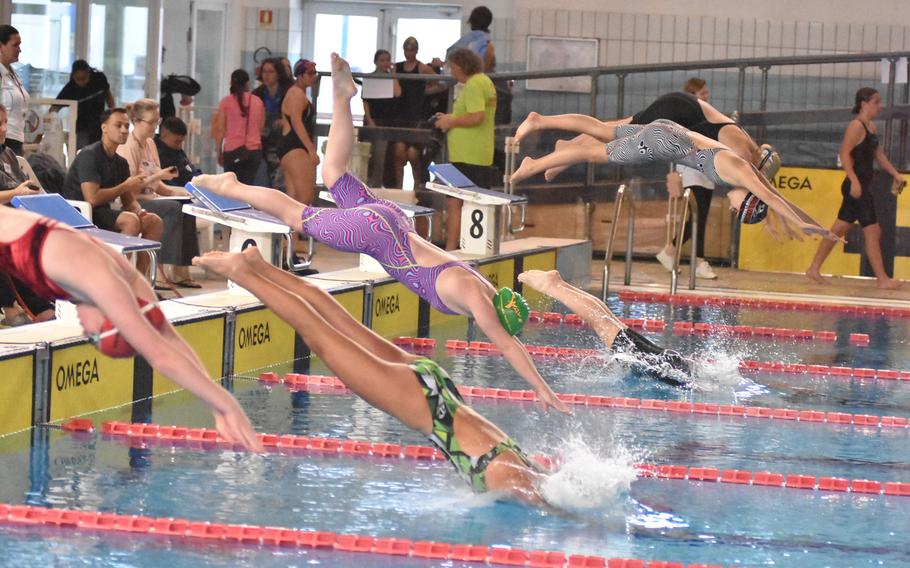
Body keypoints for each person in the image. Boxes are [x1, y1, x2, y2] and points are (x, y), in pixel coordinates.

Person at [192, 54, 567, 414]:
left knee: (334, 171)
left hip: (392, 221)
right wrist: (542, 388)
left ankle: (342, 96)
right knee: (298, 213)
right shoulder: (476, 300)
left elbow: (508, 334)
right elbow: (507, 345)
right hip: (377, 235)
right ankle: (235, 187)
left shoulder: (484, 286)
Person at [194, 245, 546, 503]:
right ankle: (242, 272)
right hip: (427, 410)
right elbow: (548, 510)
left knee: (340, 325)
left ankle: (261, 267)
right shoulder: (518, 480)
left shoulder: (522, 466)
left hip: (438, 387)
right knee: (323, 337)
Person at [0, 206, 262, 452]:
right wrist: (226, 405)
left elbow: (168, 335)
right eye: (93, 337)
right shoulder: (99, 281)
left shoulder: (120, 275)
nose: (84, 330)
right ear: (108, 321)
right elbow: (159, 353)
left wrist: (214, 403)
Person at [510, 114, 840, 243]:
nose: (732, 210)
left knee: (599, 129)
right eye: (739, 211)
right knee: (590, 153)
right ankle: (531, 166)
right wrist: (809, 226)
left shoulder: (747, 174)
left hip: (670, 130)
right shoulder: (742, 173)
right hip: (664, 143)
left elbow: (777, 200)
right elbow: (774, 200)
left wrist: (816, 227)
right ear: (749, 201)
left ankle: (540, 121)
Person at [539, 92, 779, 182]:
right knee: (609, 134)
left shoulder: (748, 143)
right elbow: (755, 187)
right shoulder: (744, 153)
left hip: (682, 107)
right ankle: (561, 152)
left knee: (615, 127)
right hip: (679, 111)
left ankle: (566, 147)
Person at [519, 270, 691, 387]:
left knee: (612, 325)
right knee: (607, 326)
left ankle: (560, 285)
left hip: (675, 365)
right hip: (673, 369)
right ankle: (554, 287)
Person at [805, 88, 904, 289]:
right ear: (864, 103)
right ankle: (882, 279)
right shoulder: (856, 126)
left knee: (840, 228)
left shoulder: (871, 128)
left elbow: (879, 155)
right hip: (856, 187)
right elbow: (844, 153)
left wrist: (895, 174)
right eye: (876, 102)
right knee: (872, 230)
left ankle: (814, 268)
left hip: (862, 186)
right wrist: (854, 181)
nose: (880, 106)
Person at [59, 107, 163, 278]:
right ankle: (113, 279)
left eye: (126, 126)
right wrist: (126, 185)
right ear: (104, 128)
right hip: (80, 213)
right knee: (130, 222)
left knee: (154, 221)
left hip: (101, 211)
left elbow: (128, 200)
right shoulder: (89, 155)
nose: (123, 130)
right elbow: (91, 198)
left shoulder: (120, 163)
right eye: (118, 125)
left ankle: (139, 282)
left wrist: (141, 212)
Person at [118, 99, 200, 289]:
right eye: (151, 122)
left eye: (157, 121)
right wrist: (158, 176)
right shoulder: (128, 147)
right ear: (137, 121)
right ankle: (160, 273)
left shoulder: (150, 144)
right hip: (134, 201)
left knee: (188, 205)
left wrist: (192, 191)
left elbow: (161, 187)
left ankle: (181, 271)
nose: (155, 126)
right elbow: (128, 189)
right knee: (172, 208)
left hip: (152, 197)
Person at [433, 48, 497, 250]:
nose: (451, 72)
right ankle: (468, 247)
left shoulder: (473, 85)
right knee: (472, 204)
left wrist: (450, 121)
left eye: (451, 67)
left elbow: (477, 116)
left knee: (455, 202)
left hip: (467, 155)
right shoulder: (484, 81)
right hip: (478, 153)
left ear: (460, 66)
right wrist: (450, 118)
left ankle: (452, 248)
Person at [656, 78, 717, 280]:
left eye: (707, 93)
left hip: (706, 172)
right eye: (703, 94)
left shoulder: (705, 117)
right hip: (692, 172)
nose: (707, 97)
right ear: (693, 96)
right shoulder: (687, 119)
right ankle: (699, 261)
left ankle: (670, 251)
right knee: (697, 219)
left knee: (698, 219)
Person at [390, 37, 442, 189]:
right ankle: (398, 188)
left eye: (412, 50)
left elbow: (441, 84)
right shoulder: (397, 67)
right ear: (403, 50)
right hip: (401, 114)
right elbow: (396, 91)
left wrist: (424, 93)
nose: (409, 53)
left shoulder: (422, 68)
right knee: (399, 153)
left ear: (416, 51)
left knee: (413, 154)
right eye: (407, 49)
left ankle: (417, 186)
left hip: (417, 115)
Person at [216, 69, 264, 185]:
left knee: (231, 188)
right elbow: (261, 128)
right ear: (247, 83)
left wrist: (218, 152)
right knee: (247, 187)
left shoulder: (225, 102)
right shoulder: (258, 102)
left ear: (231, 83)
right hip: (253, 152)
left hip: (232, 152)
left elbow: (221, 130)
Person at [53, 59, 115, 149]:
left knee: (101, 152)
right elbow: (55, 107)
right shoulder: (70, 89)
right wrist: (50, 120)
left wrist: (112, 114)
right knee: (83, 152)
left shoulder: (99, 79)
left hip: (100, 124)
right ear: (73, 76)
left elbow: (109, 97)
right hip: (82, 127)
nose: (81, 82)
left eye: (84, 78)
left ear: (89, 73)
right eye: (78, 79)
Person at [252, 58, 293, 188]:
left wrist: (285, 121)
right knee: (262, 181)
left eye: (271, 72)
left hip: (282, 142)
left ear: (278, 74)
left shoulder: (288, 93)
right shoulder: (257, 94)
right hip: (262, 143)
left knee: (281, 183)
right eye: (264, 72)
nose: (267, 75)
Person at [362, 49, 401, 187]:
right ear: (376, 62)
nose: (385, 63)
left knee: (381, 155)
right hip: (373, 119)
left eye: (387, 60)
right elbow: (365, 101)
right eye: (382, 60)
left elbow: (397, 93)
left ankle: (378, 185)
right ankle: (366, 183)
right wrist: (369, 119)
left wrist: (394, 74)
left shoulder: (391, 78)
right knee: (369, 154)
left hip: (385, 121)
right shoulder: (370, 78)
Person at [0, 25, 28, 155]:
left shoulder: (14, 74)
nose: (19, 50)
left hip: (17, 139)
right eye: (15, 45)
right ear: (1, 46)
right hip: (4, 139)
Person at [446, 6, 496, 72]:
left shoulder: (461, 43)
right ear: (489, 22)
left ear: (471, 21)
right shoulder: (488, 44)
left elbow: (449, 64)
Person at [155, 117, 199, 188]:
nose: (179, 146)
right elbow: (171, 182)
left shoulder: (176, 150)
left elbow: (189, 168)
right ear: (164, 135)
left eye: (181, 142)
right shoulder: (159, 154)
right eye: (177, 142)